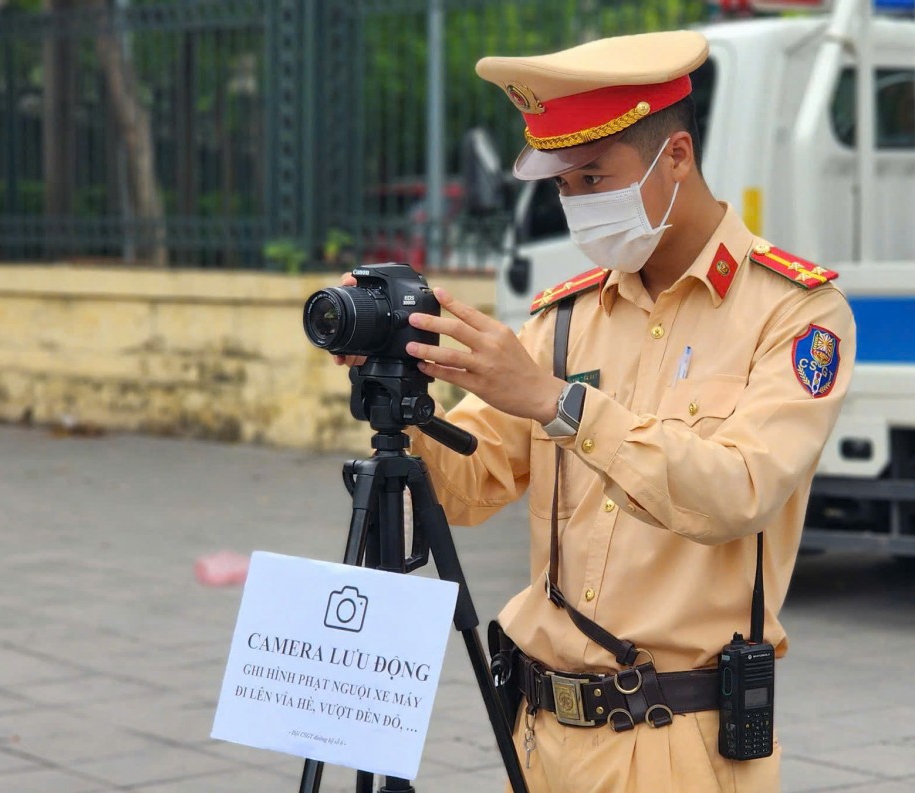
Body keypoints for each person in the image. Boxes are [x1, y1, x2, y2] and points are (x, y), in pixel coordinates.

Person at [336, 30, 856, 793]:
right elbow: (465, 487)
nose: (577, 203)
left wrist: (560, 404)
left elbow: (739, 491)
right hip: (540, 733)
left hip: (678, 742)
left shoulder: (794, 313)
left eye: (593, 177)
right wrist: (403, 391)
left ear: (675, 156)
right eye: (563, 185)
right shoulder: (568, 317)